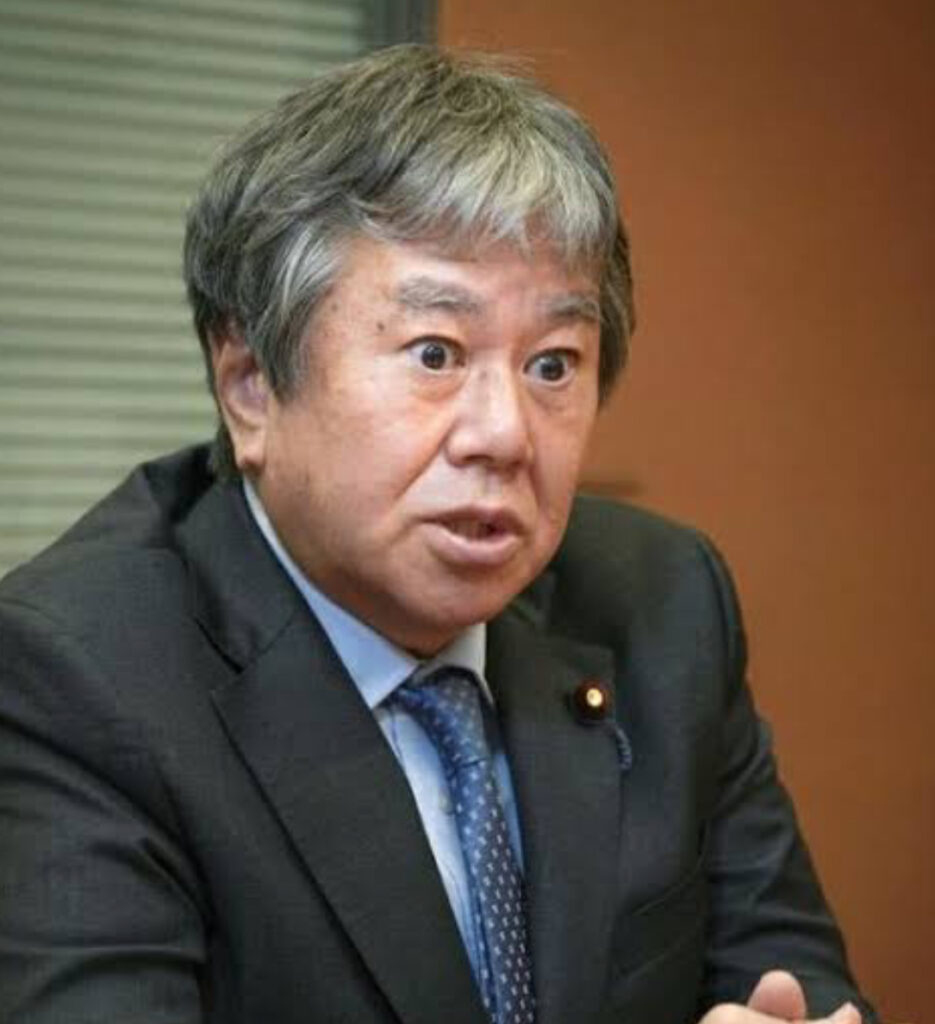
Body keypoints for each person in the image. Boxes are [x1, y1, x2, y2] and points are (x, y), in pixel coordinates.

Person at [0, 45, 876, 1024]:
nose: (503, 434)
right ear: (249, 385)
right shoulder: (76, 679)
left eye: (552, 364)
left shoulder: (664, 602)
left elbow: (793, 976)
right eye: (434, 353)